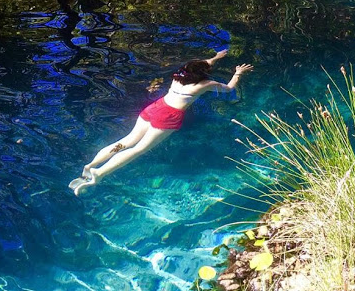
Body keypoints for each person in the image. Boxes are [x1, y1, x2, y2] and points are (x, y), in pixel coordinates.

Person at [68, 50, 253, 196]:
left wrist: (215, 57)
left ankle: (91, 165)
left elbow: (199, 65)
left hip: (155, 108)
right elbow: (229, 89)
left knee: (126, 141)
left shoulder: (178, 75)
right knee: (138, 149)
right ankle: (99, 175)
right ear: (202, 74)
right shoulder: (203, 85)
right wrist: (238, 73)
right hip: (168, 117)